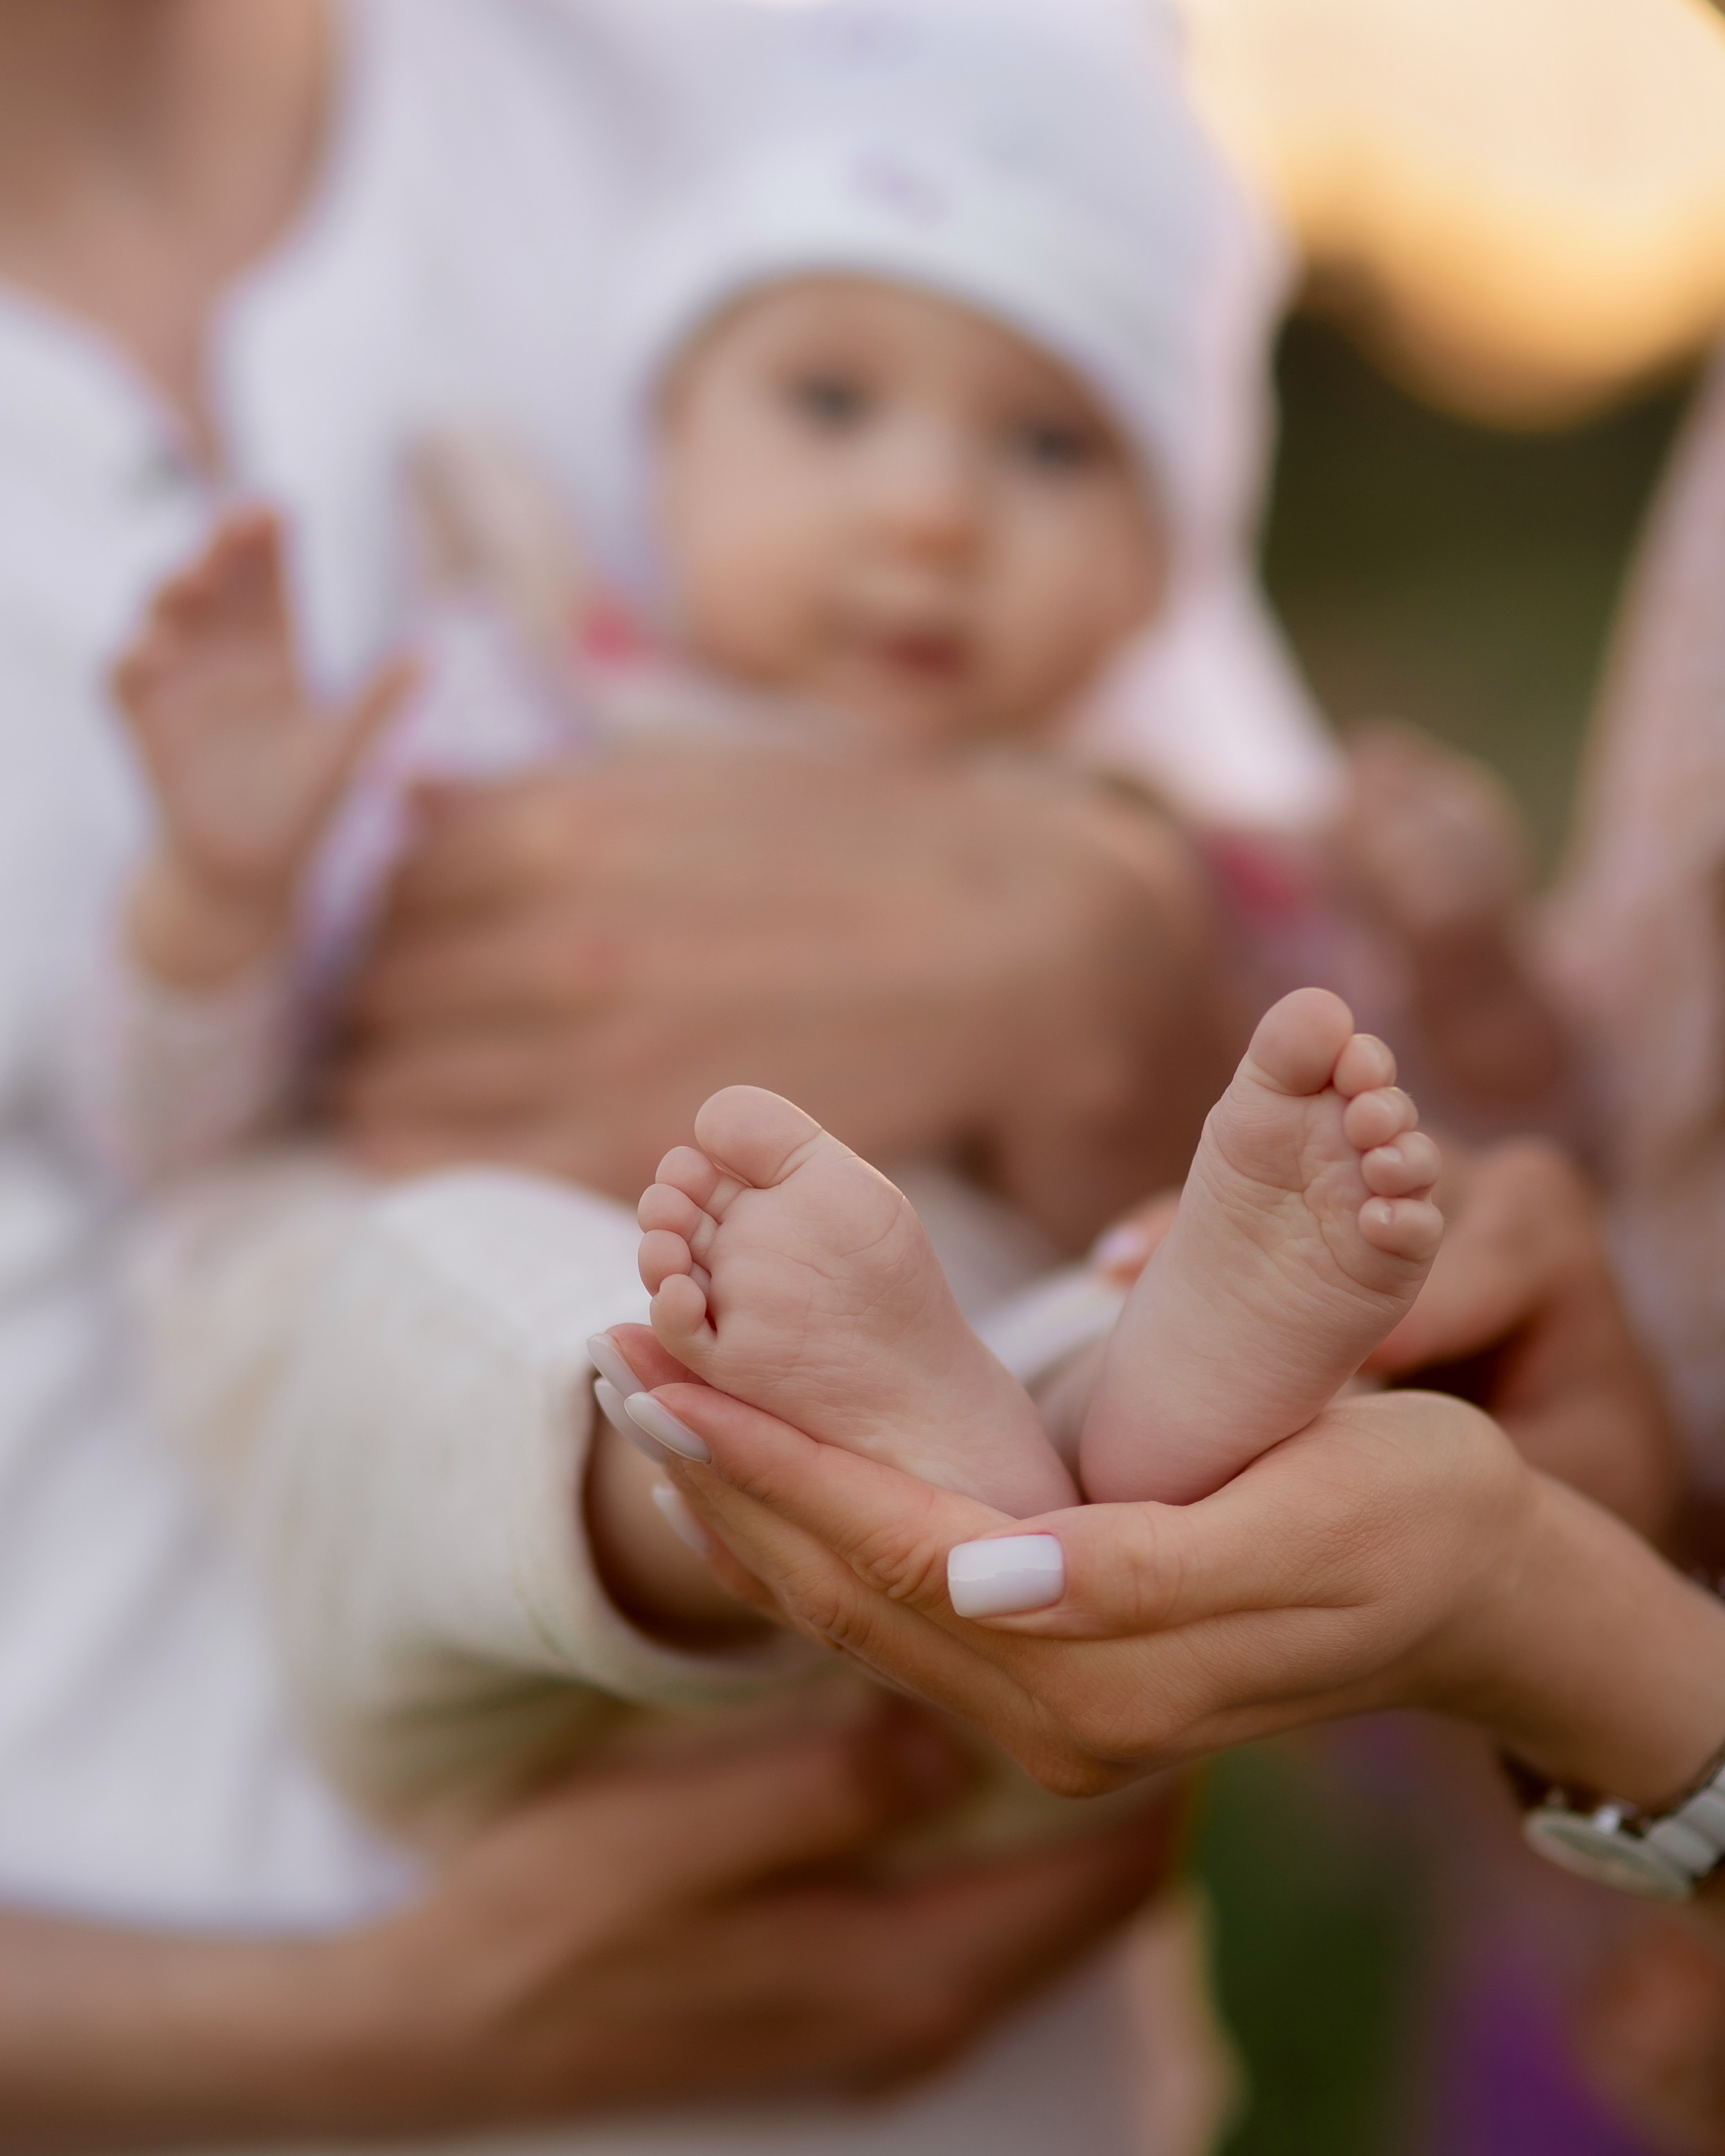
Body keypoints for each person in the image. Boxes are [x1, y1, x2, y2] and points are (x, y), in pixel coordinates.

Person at [0, 0, 1223, 2141]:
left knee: (1090, 1280)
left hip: (953, 2039)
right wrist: (223, 887)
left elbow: (1301, 993)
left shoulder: (840, 79)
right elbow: (179, 1115)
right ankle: (718, 1461)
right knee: (449, 1286)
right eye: (833, 409)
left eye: (1030, 456)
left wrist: (1139, 953)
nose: (926, 516)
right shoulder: (518, 673)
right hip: (300, 1908)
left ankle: (1113, 1375)